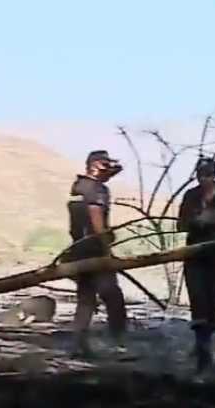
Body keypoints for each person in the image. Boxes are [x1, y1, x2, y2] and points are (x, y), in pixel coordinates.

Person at [177, 157, 215, 372]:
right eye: (200, 175)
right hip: (194, 253)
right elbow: (181, 224)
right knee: (197, 297)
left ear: (214, 175)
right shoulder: (191, 195)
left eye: (208, 175)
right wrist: (199, 219)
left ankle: (206, 341)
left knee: (213, 299)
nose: (204, 179)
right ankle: (202, 348)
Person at [65, 150, 127, 357]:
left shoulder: (79, 186)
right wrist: (106, 247)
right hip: (94, 249)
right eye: (105, 164)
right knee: (112, 296)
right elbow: (96, 216)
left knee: (86, 298)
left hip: (78, 250)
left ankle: (78, 345)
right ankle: (119, 344)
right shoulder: (97, 189)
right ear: (95, 165)